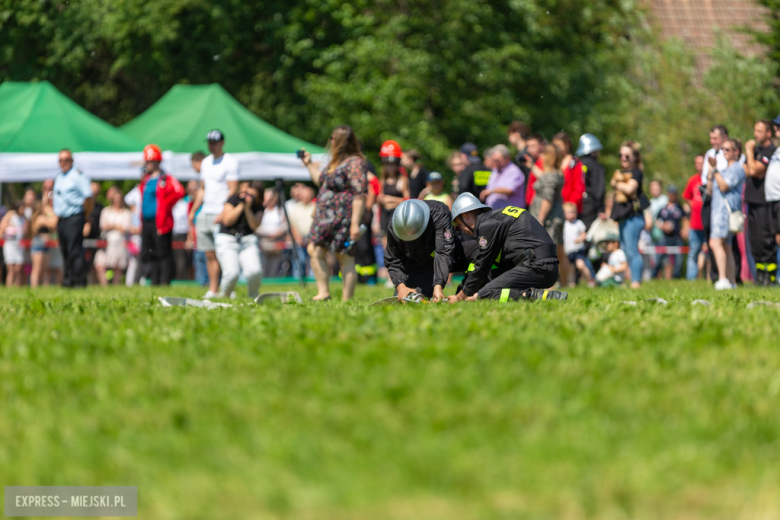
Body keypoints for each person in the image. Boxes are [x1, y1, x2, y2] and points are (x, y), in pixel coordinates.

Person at [448, 193, 567, 302]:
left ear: (465, 215)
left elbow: (482, 266)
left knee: (486, 293)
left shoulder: (486, 226)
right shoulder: (497, 217)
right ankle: (537, 294)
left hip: (537, 266)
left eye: (459, 224)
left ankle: (542, 297)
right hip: (544, 264)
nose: (462, 229)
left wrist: (460, 297)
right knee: (484, 290)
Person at [299, 125, 367, 301]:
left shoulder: (354, 162)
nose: (330, 141)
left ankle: (347, 300)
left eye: (332, 138)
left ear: (340, 141)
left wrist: (354, 224)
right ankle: (324, 293)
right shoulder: (333, 163)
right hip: (323, 218)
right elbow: (320, 180)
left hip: (343, 217)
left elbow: (360, 194)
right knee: (314, 250)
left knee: (344, 256)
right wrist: (308, 163)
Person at [188, 130, 239, 298]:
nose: (212, 145)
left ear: (222, 143)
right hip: (206, 212)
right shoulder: (205, 163)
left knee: (224, 253)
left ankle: (228, 289)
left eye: (215, 142)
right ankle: (213, 289)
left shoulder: (230, 162)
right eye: (209, 142)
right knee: (209, 253)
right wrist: (194, 210)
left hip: (221, 213)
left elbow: (233, 191)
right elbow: (202, 189)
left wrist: (225, 212)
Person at [384, 199, 463, 302]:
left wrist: (438, 285)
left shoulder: (439, 212)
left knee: (476, 252)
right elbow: (393, 260)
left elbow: (443, 252)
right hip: (420, 266)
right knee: (408, 299)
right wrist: (401, 287)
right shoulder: (395, 225)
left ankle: (474, 292)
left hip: (454, 255)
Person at [137, 144, 185, 286]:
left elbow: (179, 192)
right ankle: (154, 280)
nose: (147, 164)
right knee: (149, 252)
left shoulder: (166, 179)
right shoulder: (145, 179)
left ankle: (164, 281)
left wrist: (165, 205)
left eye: (149, 161)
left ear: (157, 162)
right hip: (147, 222)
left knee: (162, 252)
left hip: (161, 223)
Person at [610, 141, 649, 289]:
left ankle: (636, 282)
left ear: (634, 157)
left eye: (627, 155)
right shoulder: (623, 173)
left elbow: (630, 189)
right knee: (626, 250)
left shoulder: (636, 172)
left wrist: (616, 183)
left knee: (632, 250)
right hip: (623, 218)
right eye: (621, 155)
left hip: (633, 217)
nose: (623, 158)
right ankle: (633, 280)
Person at [215, 181, 265, 298]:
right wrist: (242, 205)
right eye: (247, 193)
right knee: (232, 274)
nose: (249, 197)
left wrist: (248, 208)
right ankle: (225, 296)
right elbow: (227, 220)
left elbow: (255, 225)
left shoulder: (258, 207)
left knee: (255, 271)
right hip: (227, 239)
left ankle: (253, 296)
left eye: (253, 195)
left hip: (248, 240)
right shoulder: (233, 199)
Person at [743, 120, 778, 286]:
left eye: (760, 131)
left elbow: (754, 170)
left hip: (764, 202)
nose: (756, 134)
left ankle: (770, 276)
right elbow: (745, 168)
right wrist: (750, 158)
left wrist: (749, 152)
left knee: (765, 240)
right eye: (754, 130)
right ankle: (760, 275)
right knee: (754, 241)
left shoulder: (771, 151)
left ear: (768, 133)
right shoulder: (756, 150)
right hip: (751, 201)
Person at [707, 139, 745, 290]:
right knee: (726, 246)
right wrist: (712, 171)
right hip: (718, 211)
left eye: (728, 150)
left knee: (715, 243)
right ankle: (731, 282)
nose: (724, 153)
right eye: (723, 149)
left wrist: (715, 170)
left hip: (724, 213)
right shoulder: (723, 170)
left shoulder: (737, 168)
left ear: (736, 152)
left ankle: (723, 279)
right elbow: (710, 190)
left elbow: (723, 186)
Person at [53, 148, 93, 288]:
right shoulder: (59, 177)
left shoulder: (78, 176)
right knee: (65, 251)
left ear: (71, 161)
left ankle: (79, 281)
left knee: (74, 250)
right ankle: (68, 280)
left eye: (66, 160)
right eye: (61, 160)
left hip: (74, 217)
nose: (63, 163)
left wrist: (85, 215)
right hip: (62, 219)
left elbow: (88, 197)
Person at [529, 144, 565, 276]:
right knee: (559, 250)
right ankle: (567, 281)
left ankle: (551, 282)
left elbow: (547, 199)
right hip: (555, 216)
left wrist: (540, 219)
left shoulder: (550, 176)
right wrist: (531, 166)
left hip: (549, 218)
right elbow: (544, 177)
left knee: (547, 251)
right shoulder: (555, 174)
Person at [94, 187, 132, 286]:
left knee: (117, 267)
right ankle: (104, 286)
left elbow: (125, 228)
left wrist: (111, 225)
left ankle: (115, 286)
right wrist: (116, 226)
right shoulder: (106, 210)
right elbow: (103, 225)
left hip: (119, 241)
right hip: (107, 241)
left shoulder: (126, 212)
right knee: (100, 265)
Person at [377, 140, 409, 244]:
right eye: (388, 164)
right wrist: (383, 200)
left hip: (397, 216)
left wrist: (390, 199)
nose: (390, 167)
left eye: (393, 164)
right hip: (385, 216)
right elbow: (380, 199)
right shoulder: (383, 181)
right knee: (385, 244)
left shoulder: (402, 180)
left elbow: (407, 201)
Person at [682, 155, 706, 280]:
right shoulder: (693, 180)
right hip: (695, 224)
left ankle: (712, 277)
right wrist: (693, 205)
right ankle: (691, 278)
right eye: (695, 163)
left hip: (708, 223)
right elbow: (686, 196)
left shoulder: (709, 178)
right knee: (693, 253)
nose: (697, 165)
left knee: (709, 252)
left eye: (700, 163)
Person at [654, 185, 685, 279]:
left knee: (678, 259)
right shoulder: (663, 209)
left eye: (674, 194)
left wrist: (685, 229)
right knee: (659, 258)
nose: (672, 196)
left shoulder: (679, 208)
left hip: (677, 237)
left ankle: (676, 277)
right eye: (671, 194)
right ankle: (654, 276)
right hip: (665, 237)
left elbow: (685, 219)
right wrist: (664, 226)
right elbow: (657, 221)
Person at [29, 190, 60, 287]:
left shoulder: (44, 216)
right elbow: (53, 224)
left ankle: (44, 287)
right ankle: (34, 288)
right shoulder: (39, 218)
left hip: (45, 244)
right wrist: (50, 210)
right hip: (38, 244)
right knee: (37, 270)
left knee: (44, 270)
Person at [576, 133, 606, 229]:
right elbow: (598, 190)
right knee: (589, 233)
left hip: (577, 203)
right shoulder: (596, 166)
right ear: (594, 151)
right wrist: (601, 209)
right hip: (590, 205)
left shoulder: (578, 164)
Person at [286, 183, 316, 279]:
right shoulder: (296, 208)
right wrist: (297, 238)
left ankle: (313, 281)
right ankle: (297, 280)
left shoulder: (315, 207)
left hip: (313, 240)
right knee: (299, 262)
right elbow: (292, 225)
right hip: (300, 240)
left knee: (314, 261)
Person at [482, 145, 526, 210]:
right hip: (495, 213)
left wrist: (491, 191)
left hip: (510, 214)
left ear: (507, 157)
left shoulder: (514, 171)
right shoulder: (496, 170)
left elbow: (510, 190)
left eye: (498, 160)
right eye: (494, 160)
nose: (495, 163)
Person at [188, 152, 209, 287]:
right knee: (201, 257)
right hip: (201, 223)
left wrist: (193, 211)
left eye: (193, 165)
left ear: (199, 162)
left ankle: (210, 284)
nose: (193, 169)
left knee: (207, 255)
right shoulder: (204, 177)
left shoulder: (208, 175)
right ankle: (205, 284)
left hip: (209, 219)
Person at [256, 188, 287, 278]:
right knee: (262, 265)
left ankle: (271, 281)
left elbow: (285, 225)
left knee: (274, 266)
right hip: (263, 242)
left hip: (276, 243)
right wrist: (267, 234)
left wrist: (276, 234)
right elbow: (256, 226)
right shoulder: (261, 211)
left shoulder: (280, 211)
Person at [552, 132, 585, 215]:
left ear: (567, 145)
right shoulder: (552, 163)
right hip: (554, 207)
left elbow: (579, 188)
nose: (556, 149)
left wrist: (569, 207)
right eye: (554, 146)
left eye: (559, 146)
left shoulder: (576, 164)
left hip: (569, 211)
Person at [563, 202, 595, 287]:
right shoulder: (564, 224)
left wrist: (580, 239)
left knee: (580, 265)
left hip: (578, 249)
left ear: (576, 213)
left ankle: (590, 279)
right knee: (570, 269)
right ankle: (572, 284)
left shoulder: (579, 223)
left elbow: (584, 234)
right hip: (568, 250)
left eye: (573, 212)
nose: (571, 214)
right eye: (568, 212)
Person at [0, 200, 27, 286]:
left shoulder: (24, 218)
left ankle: (17, 286)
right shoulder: (11, 215)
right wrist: (9, 227)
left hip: (19, 244)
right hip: (10, 244)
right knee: (10, 268)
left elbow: (26, 231)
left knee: (18, 268)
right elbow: (2, 225)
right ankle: (9, 287)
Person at [171, 180, 194, 280]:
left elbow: (189, 221)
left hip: (184, 234)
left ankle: (184, 279)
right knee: (177, 261)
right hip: (173, 234)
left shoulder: (185, 204)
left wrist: (189, 237)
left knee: (185, 261)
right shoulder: (171, 205)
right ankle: (178, 278)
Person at [83, 181, 104, 283]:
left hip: (97, 240)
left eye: (96, 193)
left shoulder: (101, 207)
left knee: (96, 265)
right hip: (84, 240)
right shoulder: (82, 208)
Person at [123, 186, 143, 286]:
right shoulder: (132, 213)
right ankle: (129, 283)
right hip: (135, 238)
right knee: (133, 263)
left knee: (143, 262)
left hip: (142, 236)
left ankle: (141, 282)